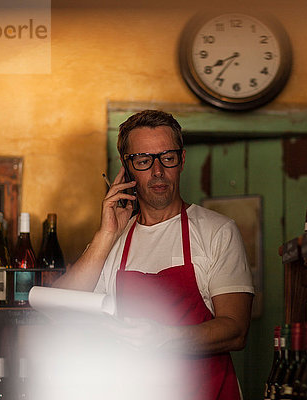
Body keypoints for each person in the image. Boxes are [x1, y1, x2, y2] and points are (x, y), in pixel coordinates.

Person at [53, 109, 254, 400]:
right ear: (127, 167)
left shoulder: (216, 231)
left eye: (167, 158)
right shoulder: (113, 240)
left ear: (182, 160)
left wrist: (166, 338)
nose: (158, 172)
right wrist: (106, 234)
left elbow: (236, 330)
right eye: (144, 161)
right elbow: (62, 310)